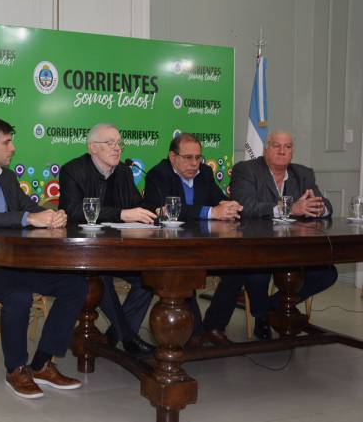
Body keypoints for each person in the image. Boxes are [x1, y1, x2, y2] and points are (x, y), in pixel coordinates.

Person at [0, 116, 88, 399]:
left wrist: (51, 215)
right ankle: (15, 370)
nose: (13, 148)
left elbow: (27, 206)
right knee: (18, 296)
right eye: (7, 142)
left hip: (10, 262)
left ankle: (41, 364)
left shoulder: (7, 178)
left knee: (74, 285)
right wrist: (28, 218)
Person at [58, 123, 157, 355]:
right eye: (110, 143)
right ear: (93, 147)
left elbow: (135, 205)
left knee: (149, 278)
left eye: (119, 143)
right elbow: (72, 211)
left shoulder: (123, 172)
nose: (117, 148)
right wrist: (120, 214)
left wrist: (154, 210)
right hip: (81, 253)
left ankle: (116, 334)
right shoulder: (72, 170)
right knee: (101, 278)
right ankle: (129, 339)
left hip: (117, 250)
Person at [229, 130, 337, 339]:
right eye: (276, 145)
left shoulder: (303, 174)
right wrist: (290, 209)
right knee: (257, 273)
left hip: (294, 249)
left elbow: (326, 205)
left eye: (287, 147)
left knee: (327, 273)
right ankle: (262, 317)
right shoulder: (246, 170)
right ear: (265, 149)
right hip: (258, 246)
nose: (282, 151)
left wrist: (317, 208)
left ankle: (272, 308)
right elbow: (245, 207)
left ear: (292, 151)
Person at [143, 132, 244, 346]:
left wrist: (228, 205)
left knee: (237, 269)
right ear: (173, 157)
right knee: (185, 273)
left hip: (205, 243)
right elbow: (164, 209)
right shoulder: (157, 175)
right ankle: (194, 331)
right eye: (188, 157)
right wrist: (211, 212)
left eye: (198, 157)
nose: (195, 163)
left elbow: (218, 199)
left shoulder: (204, 172)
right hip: (173, 247)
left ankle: (214, 325)